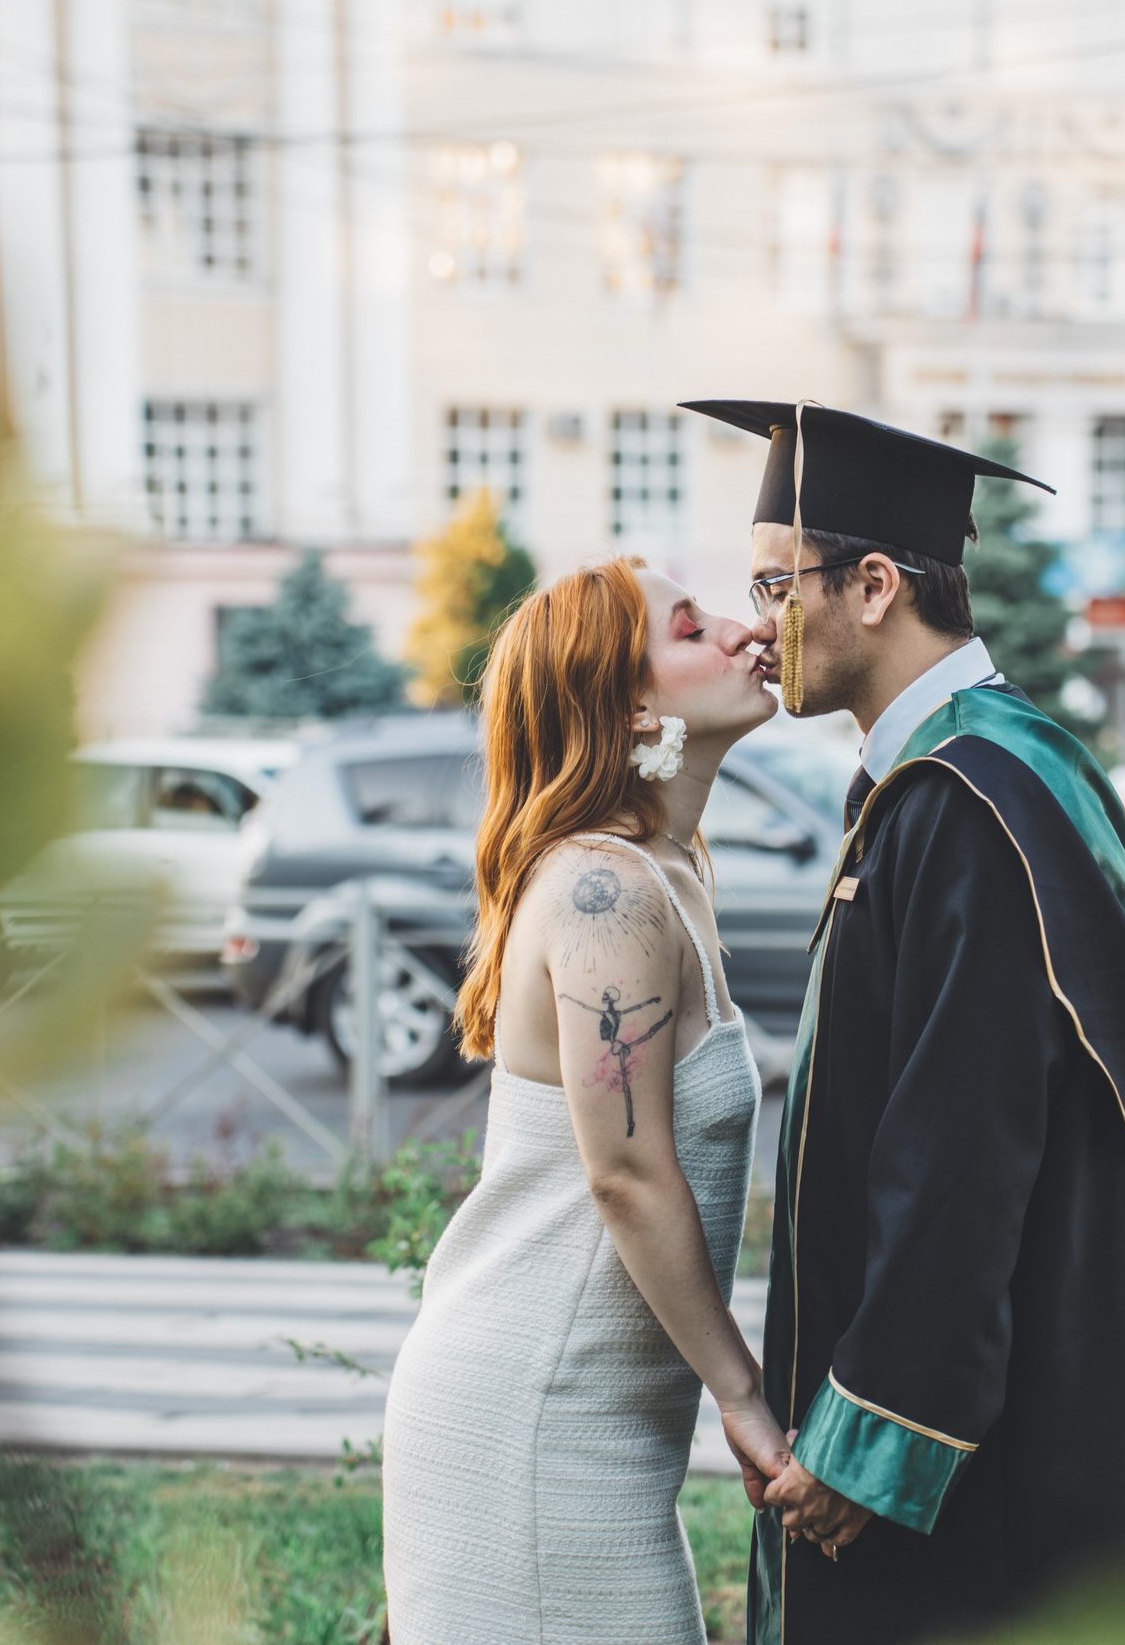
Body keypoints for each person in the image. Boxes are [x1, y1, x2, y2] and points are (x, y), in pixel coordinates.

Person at [676, 398, 1125, 1644]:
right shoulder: (993, 767)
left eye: (776, 585)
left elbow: (960, 1151)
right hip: (1015, 1364)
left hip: (976, 1432)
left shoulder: (964, 802)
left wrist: (874, 1434)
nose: (760, 626)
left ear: (872, 585)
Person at [380, 558, 795, 1644]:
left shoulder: (666, 867)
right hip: (532, 1415)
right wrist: (741, 1395)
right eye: (691, 628)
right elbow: (626, 1171)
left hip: (587, 1412)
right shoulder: (599, 890)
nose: (750, 630)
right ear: (630, 703)